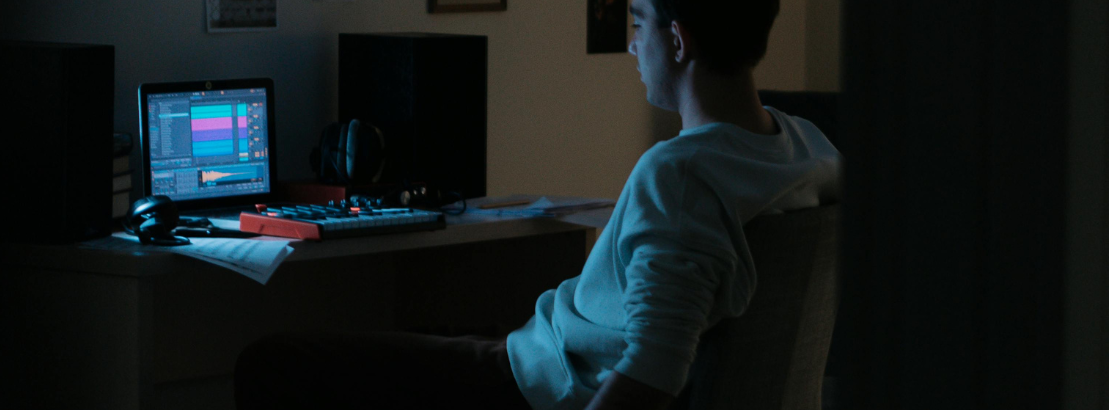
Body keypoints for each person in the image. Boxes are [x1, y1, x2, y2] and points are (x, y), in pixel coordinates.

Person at [234, 0, 840, 409]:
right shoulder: (811, 148)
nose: (633, 46)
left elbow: (652, 371)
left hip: (540, 384)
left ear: (677, 41)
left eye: (638, 23)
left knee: (277, 362)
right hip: (543, 351)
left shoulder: (679, 175)